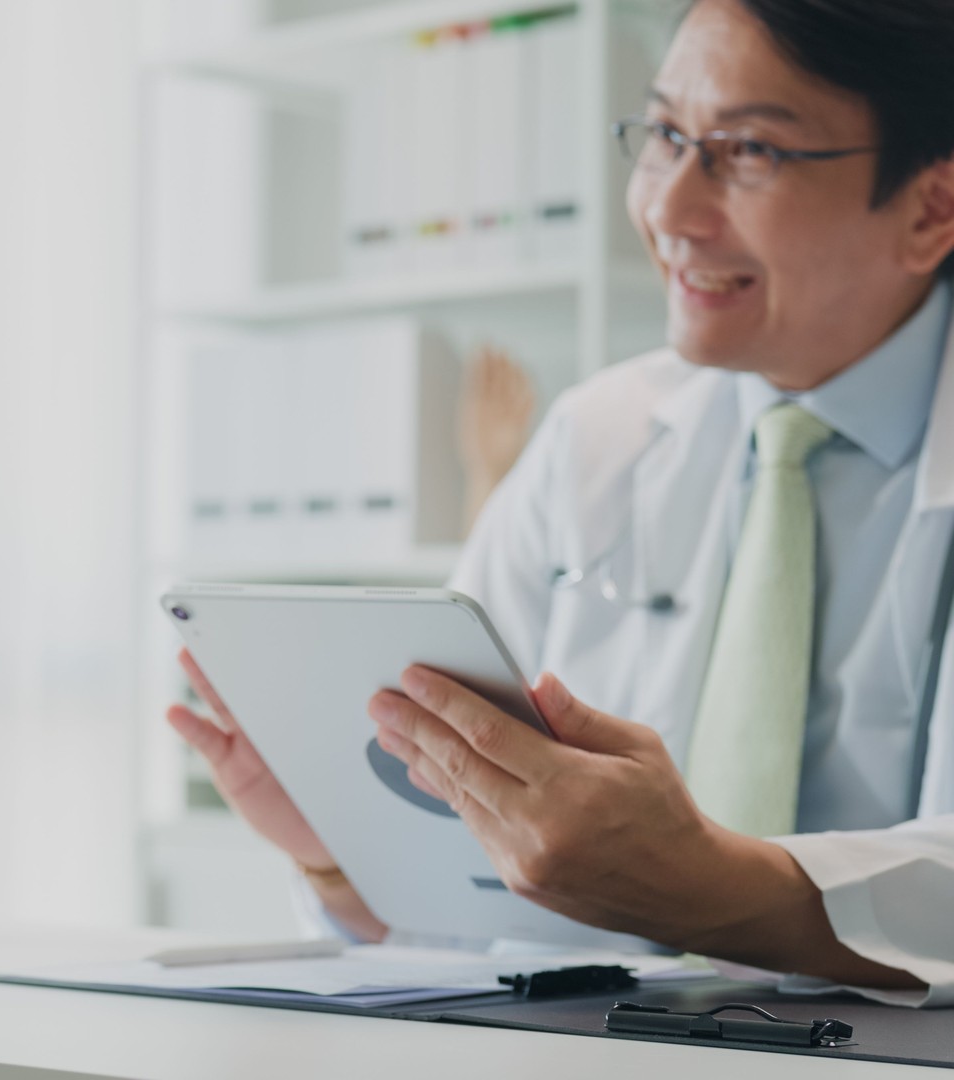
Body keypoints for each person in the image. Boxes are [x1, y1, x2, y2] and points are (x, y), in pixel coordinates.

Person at [171, 0, 954, 1006]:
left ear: (932, 209)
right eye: (666, 134)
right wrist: (352, 862)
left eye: (750, 150)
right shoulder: (596, 443)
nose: (669, 209)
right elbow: (491, 928)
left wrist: (710, 887)